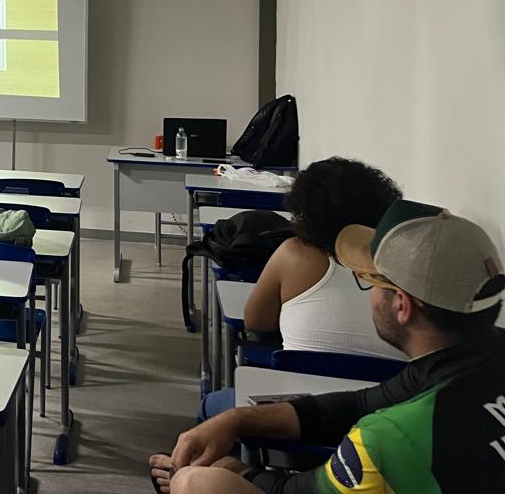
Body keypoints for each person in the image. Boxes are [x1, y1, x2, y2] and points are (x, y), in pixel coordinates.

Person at [150, 199, 505, 493]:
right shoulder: (470, 358)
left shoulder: (386, 439)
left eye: (370, 281)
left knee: (195, 483)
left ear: (402, 306)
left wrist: (224, 472)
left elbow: (296, 491)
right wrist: (236, 419)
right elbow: (358, 404)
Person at [200, 159, 405, 418]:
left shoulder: (295, 254)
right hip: (385, 421)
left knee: (212, 405)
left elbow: (256, 321)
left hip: (295, 415)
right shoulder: (406, 268)